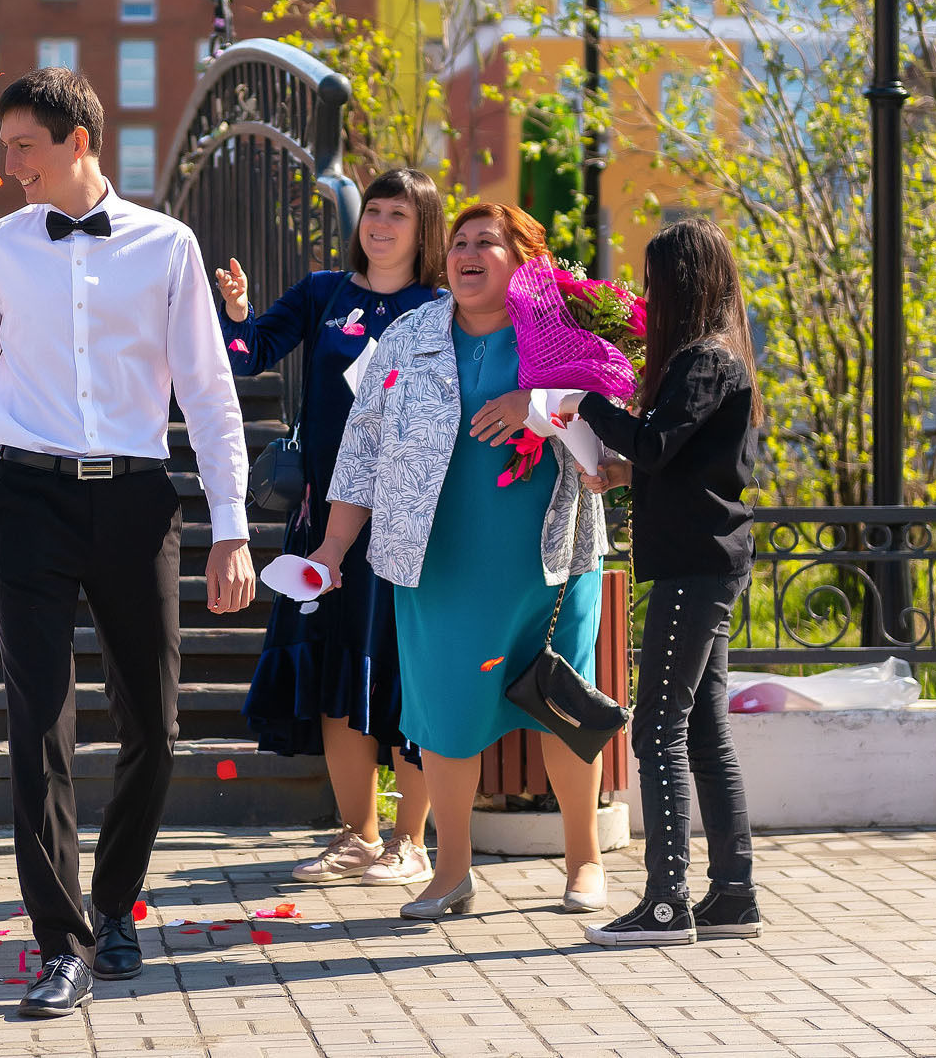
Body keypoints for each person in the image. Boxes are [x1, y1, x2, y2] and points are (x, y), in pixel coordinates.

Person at [0, 68, 254, 1019]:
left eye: (24, 147)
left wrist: (233, 529)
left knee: (155, 724)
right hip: (29, 502)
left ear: (78, 141)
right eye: (5, 146)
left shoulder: (167, 246)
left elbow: (209, 397)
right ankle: (61, 943)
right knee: (39, 722)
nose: (8, 165)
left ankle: (117, 901)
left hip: (138, 504)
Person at [317, 202, 609, 921]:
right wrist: (331, 546)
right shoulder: (406, 333)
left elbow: (611, 414)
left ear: (525, 259)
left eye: (488, 242)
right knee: (444, 716)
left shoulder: (563, 331)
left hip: (550, 559)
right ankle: (450, 872)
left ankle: (585, 860)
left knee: (565, 709)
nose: (467, 253)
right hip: (437, 563)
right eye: (458, 243)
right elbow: (362, 449)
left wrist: (536, 402)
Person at [216, 168, 444, 889]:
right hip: (323, 526)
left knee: (407, 677)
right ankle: (357, 833)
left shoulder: (439, 307)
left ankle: (411, 840)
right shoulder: (324, 293)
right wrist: (236, 313)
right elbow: (246, 355)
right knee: (337, 673)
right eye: (372, 211)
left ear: (422, 228)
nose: (378, 224)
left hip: (409, 527)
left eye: (396, 214)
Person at [572, 217, 762, 946]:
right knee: (705, 728)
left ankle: (665, 899)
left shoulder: (704, 362)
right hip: (705, 559)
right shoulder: (715, 361)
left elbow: (653, 441)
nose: (648, 295)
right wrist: (621, 469)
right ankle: (733, 893)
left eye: (656, 280)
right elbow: (674, 461)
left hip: (694, 566)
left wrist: (585, 402)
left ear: (684, 282)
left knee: (656, 727)